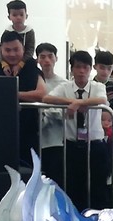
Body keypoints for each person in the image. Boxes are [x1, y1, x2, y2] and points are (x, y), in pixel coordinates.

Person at [42, 50, 110, 211]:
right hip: (72, 145)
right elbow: (46, 98)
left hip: (95, 145)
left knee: (98, 187)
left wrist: (79, 103)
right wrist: (71, 101)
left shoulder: (98, 86)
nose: (81, 71)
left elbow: (102, 99)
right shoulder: (65, 87)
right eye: (78, 67)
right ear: (72, 69)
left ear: (90, 69)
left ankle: (98, 218)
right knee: (72, 186)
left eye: (85, 67)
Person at [0, 30, 45, 167]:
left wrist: (13, 94)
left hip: (29, 129)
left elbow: (41, 94)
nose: (12, 54)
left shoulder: (31, 66)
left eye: (16, 49)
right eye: (8, 50)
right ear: (1, 50)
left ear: (23, 49)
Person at [36, 42, 67, 186]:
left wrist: (50, 113)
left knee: (55, 181)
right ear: (37, 60)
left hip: (57, 140)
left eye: (50, 56)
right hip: (37, 139)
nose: (46, 60)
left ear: (56, 58)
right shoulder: (33, 81)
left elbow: (66, 111)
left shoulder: (64, 84)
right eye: (42, 57)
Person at [0, 0, 35, 76]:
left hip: (25, 62)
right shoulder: (7, 31)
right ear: (9, 17)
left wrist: (20, 64)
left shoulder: (29, 32)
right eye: (15, 15)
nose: (18, 17)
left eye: (21, 15)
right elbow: (0, 50)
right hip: (8, 63)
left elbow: (30, 50)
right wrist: (4, 64)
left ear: (26, 16)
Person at [93, 50, 113, 119]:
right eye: (102, 67)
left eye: (109, 68)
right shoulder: (89, 87)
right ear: (95, 67)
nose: (105, 72)